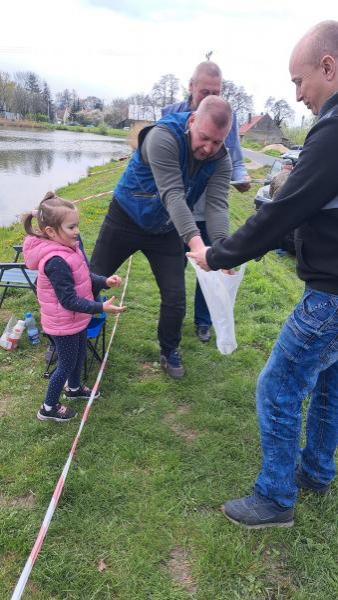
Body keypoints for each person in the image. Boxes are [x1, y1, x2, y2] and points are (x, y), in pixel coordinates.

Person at [187, 20, 338, 528]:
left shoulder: (334, 131)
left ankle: (275, 499)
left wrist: (220, 255)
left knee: (277, 387)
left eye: (299, 81)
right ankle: (315, 471)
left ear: (328, 66)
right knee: (330, 381)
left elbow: (284, 209)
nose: (296, 96)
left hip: (331, 293)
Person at [90, 95, 233, 379]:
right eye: (204, 138)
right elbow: (173, 193)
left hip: (165, 229)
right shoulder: (162, 137)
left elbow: (217, 206)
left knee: (175, 296)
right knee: (90, 280)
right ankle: (68, 338)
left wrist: (223, 250)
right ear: (192, 121)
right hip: (126, 217)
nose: (208, 148)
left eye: (217, 142)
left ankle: (169, 351)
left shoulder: (221, 160)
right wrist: (196, 243)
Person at [162, 61, 251, 343]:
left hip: (206, 209)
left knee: (210, 261)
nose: (211, 95)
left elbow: (232, 157)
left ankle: (204, 320)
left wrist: (242, 176)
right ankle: (172, 318)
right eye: (205, 91)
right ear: (191, 87)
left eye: (217, 90)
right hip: (176, 212)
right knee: (175, 269)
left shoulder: (227, 118)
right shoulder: (170, 114)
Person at [23, 192, 126, 423]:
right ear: (51, 231)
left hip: (75, 319)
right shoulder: (55, 261)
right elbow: (68, 300)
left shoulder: (70, 248)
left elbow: (83, 276)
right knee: (66, 363)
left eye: (77, 225)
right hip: (63, 323)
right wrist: (100, 307)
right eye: (71, 227)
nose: (77, 231)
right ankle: (48, 407)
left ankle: (75, 388)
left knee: (79, 355)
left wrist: (103, 281)